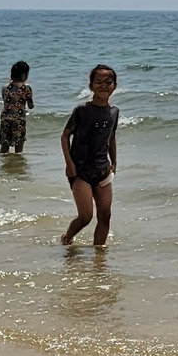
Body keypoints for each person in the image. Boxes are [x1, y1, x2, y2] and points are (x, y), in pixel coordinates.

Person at [60, 65, 119, 247]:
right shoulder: (82, 110)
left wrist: (114, 162)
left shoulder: (114, 112)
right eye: (98, 82)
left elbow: (111, 137)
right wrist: (69, 164)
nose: (103, 85)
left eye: (108, 82)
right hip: (80, 172)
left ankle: (99, 254)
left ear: (115, 86)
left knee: (105, 215)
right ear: (91, 86)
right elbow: (65, 136)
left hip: (103, 170)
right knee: (86, 216)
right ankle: (67, 237)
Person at [0, 60, 34, 154]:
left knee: (4, 147)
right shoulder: (26, 88)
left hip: (5, 119)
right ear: (23, 75)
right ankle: (18, 162)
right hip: (19, 120)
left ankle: (2, 161)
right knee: (19, 149)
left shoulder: (5, 88)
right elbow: (30, 106)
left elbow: (5, 101)